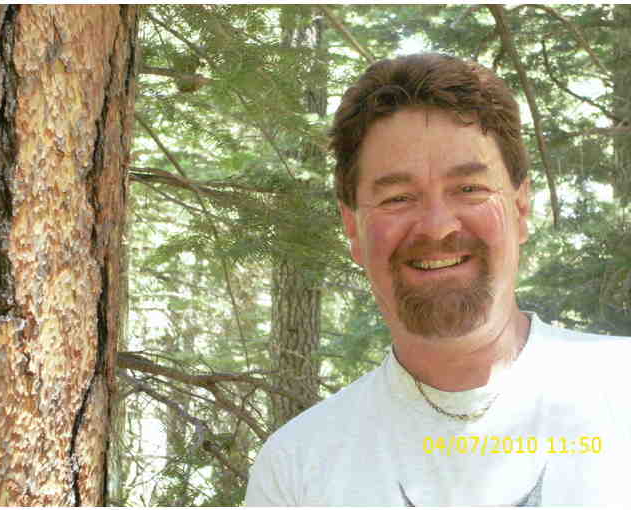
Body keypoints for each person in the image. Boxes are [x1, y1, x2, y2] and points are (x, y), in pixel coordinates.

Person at [245, 53, 631, 506]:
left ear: (521, 209)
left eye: (469, 189)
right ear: (353, 228)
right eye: (398, 197)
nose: (436, 227)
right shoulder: (298, 467)